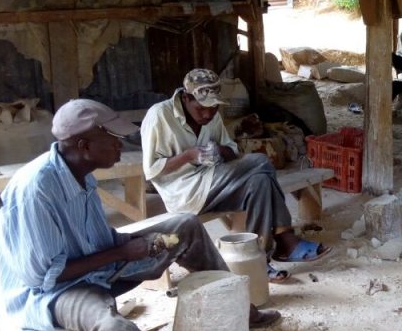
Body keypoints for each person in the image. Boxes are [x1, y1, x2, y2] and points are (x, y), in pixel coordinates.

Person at [0, 100, 276, 331]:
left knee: (185, 226)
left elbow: (98, 241)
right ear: (83, 145)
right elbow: (43, 276)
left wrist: (135, 245)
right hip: (56, 292)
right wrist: (121, 253)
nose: (121, 145)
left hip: (97, 267)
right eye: (112, 138)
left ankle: (240, 311)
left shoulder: (79, 174)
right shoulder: (36, 190)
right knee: (114, 329)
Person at [141, 69, 329, 280]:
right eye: (201, 109)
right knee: (260, 162)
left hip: (214, 181)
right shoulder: (159, 115)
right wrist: (189, 155)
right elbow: (151, 170)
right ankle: (285, 239)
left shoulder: (211, 114)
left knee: (260, 182)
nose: (208, 114)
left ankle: (258, 260)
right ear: (186, 98)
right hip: (184, 192)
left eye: (213, 109)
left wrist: (220, 151)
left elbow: (231, 151)